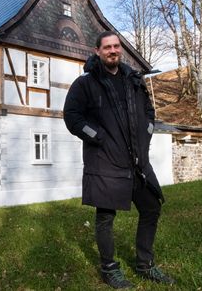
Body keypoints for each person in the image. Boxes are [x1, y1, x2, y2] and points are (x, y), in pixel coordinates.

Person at [63, 31, 175, 289]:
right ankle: (109, 269)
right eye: (107, 47)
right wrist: (99, 136)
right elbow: (72, 117)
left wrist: (147, 132)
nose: (113, 50)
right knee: (105, 217)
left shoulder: (133, 80)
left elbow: (149, 111)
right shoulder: (85, 84)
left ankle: (145, 264)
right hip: (105, 162)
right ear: (97, 51)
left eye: (116, 46)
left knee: (151, 208)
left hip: (137, 162)